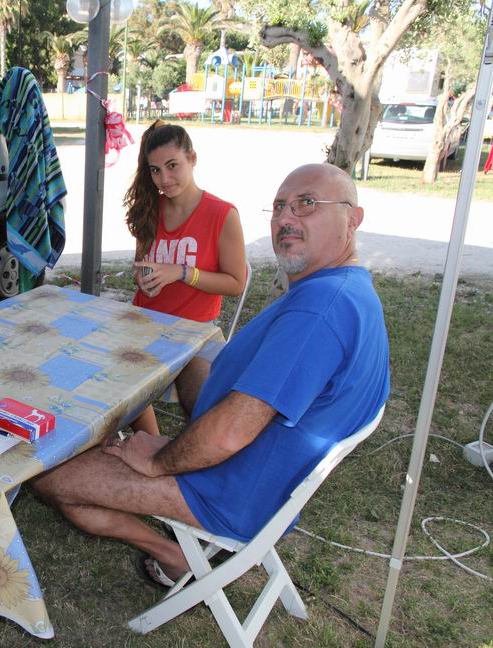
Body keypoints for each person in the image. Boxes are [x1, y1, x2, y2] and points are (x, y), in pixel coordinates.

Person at [32, 163, 389, 587]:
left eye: (306, 204)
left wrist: (159, 461)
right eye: (279, 207)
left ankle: (172, 555)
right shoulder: (344, 289)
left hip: (231, 491)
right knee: (185, 362)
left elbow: (230, 434)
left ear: (352, 219)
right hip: (255, 468)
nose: (285, 219)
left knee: (47, 472)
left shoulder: (321, 310)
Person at [124, 121, 246, 431]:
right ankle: (150, 444)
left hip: (195, 332)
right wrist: (143, 279)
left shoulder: (222, 214)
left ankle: (192, 452)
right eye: (155, 170)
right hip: (144, 323)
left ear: (192, 158)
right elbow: (141, 266)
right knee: (121, 387)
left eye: (172, 165)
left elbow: (236, 283)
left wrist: (181, 272)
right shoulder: (150, 208)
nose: (164, 179)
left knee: (202, 408)